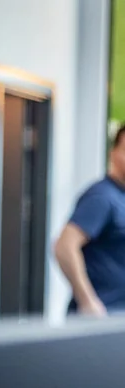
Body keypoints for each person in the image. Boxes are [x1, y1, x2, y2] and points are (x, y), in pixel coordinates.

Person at [54, 124, 125, 316]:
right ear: (113, 153)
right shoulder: (101, 197)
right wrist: (88, 301)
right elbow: (64, 247)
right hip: (101, 320)